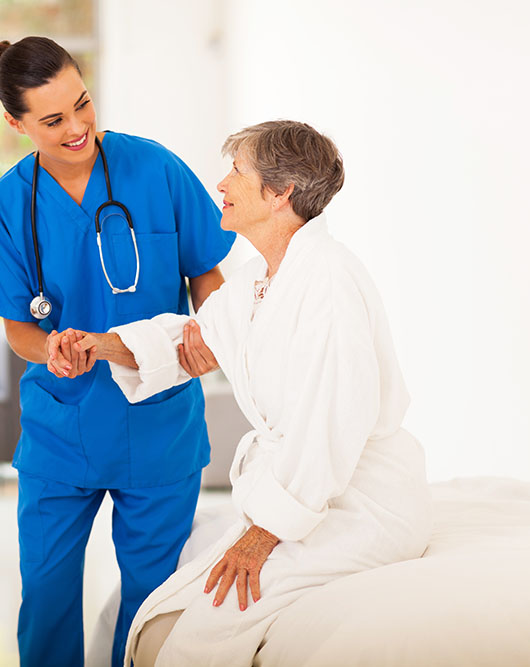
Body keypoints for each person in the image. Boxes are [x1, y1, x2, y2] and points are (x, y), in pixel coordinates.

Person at [74, 120, 432, 666]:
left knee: (214, 617)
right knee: (171, 601)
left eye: (237, 171)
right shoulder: (262, 278)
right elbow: (189, 339)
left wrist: (262, 537)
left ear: (280, 193)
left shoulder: (328, 282)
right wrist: (100, 345)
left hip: (358, 500)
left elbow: (327, 428)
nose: (221, 183)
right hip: (306, 492)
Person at [0, 36, 236, 667]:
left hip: (159, 422)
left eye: (82, 104)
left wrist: (211, 335)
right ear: (16, 122)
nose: (78, 127)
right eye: (53, 120)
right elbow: (18, 329)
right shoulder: (8, 206)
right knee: (49, 596)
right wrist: (49, 348)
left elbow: (208, 277)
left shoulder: (156, 169)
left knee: (152, 603)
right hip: (63, 425)